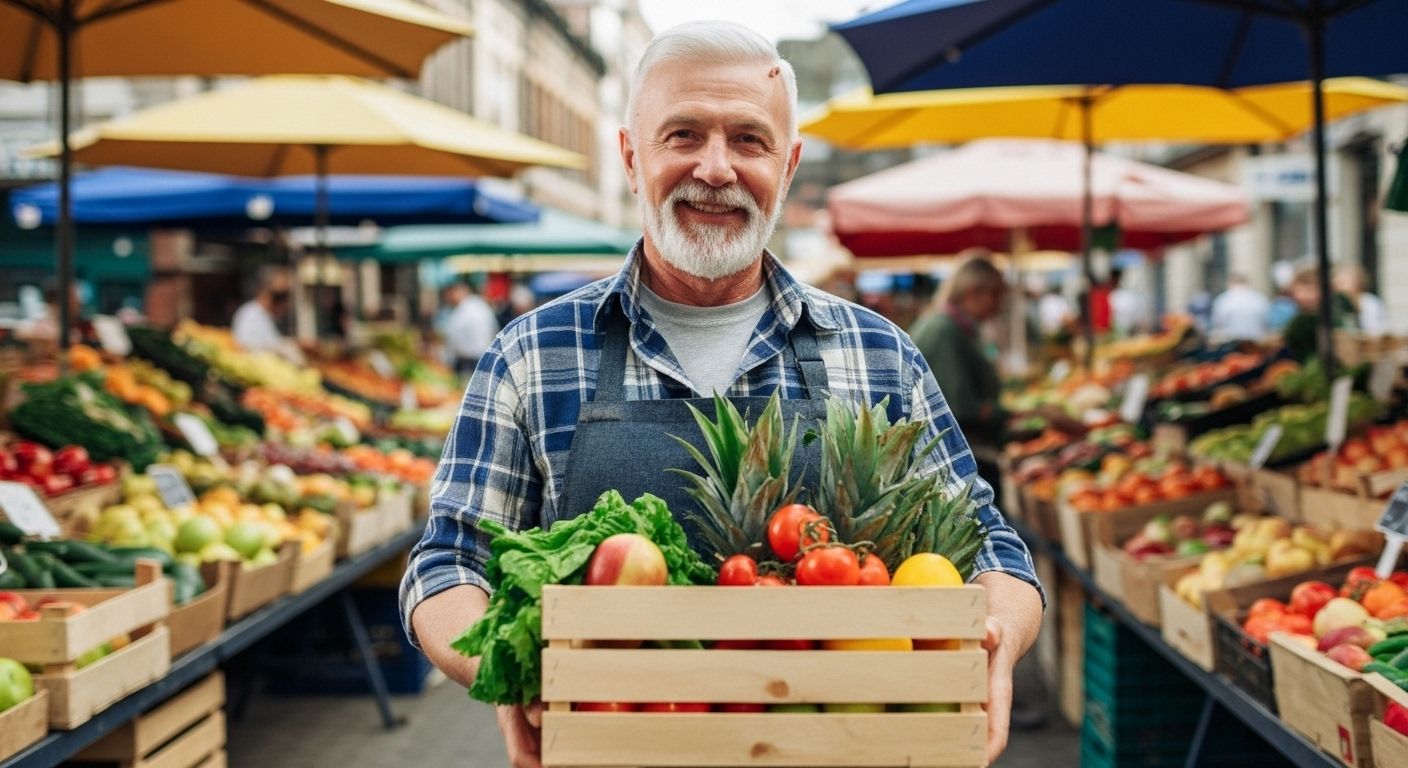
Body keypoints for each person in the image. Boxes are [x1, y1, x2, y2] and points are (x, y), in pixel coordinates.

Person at [399, 21, 1042, 768]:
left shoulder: (879, 354)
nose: (715, 168)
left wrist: (997, 639)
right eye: (682, 135)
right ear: (631, 158)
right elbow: (447, 563)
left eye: (748, 140)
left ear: (789, 164)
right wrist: (508, 674)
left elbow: (994, 546)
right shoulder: (530, 355)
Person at [231, 270, 299, 360]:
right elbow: (253, 348)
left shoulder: (265, 315)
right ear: (263, 293)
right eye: (279, 297)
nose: (284, 303)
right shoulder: (250, 315)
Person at [442, 280, 500, 376]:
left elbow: (453, 338)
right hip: (485, 357)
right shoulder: (479, 305)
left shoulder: (465, 310)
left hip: (472, 361)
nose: (448, 298)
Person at [1209, 274, 1271, 343]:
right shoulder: (1260, 298)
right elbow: (1267, 322)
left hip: (1230, 342)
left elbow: (1217, 324)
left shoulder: (1222, 299)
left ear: (1229, 284)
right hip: (1256, 342)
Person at [1334, 262, 1388, 335]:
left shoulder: (1370, 303)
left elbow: (1375, 331)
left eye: (1343, 282)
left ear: (1357, 282)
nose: (1339, 287)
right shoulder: (1339, 304)